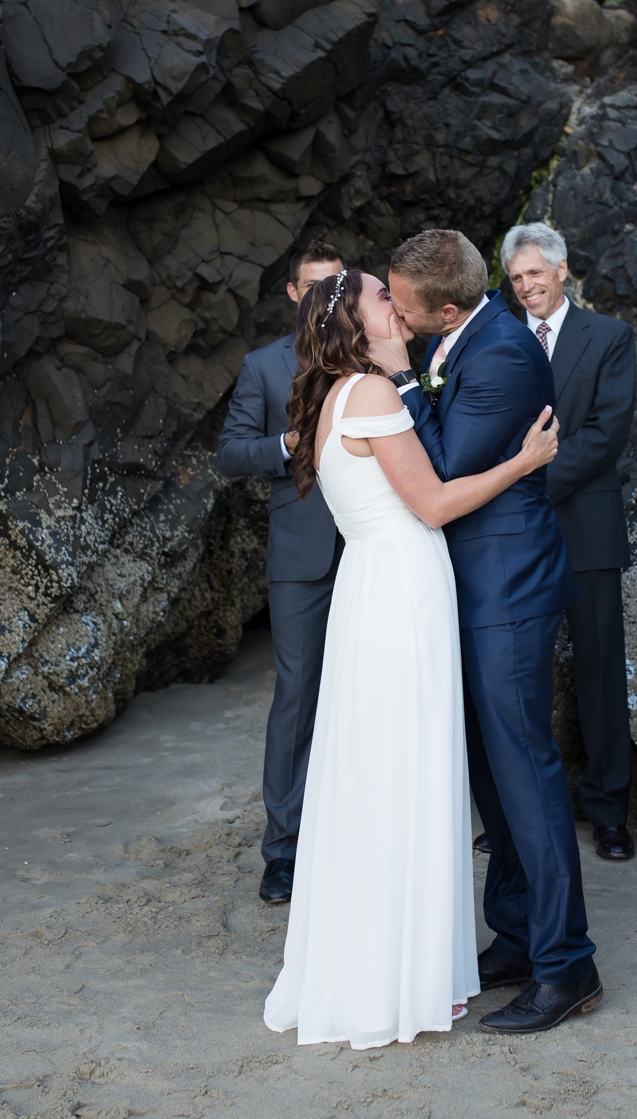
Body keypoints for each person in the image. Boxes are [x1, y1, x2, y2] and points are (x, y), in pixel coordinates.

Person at [262, 269, 561, 1049]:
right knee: (406, 774)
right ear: (358, 324)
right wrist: (524, 464)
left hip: (374, 589)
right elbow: (433, 503)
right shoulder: (369, 394)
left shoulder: (334, 395)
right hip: (402, 588)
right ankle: (397, 975)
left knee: (378, 775)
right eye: (378, 297)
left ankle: (387, 961)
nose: (394, 304)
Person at [370, 229, 603, 1036]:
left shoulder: (500, 352)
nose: (393, 317)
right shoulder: (464, 338)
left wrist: (401, 377)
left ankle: (569, 964)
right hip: (464, 587)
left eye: (402, 307)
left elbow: (443, 468)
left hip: (505, 587)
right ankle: (518, 937)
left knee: (525, 773)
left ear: (447, 307)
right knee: (488, 777)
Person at [502, 222, 637, 862]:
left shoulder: (608, 337)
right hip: (511, 533)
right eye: (516, 277)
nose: (526, 285)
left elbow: (607, 433)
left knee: (600, 668)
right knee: (515, 672)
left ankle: (610, 811)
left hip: (583, 523)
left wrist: (528, 482)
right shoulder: (497, 341)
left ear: (561, 270)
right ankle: (515, 815)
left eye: (535, 273)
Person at [217, 239, 344, 904]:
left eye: (338, 284)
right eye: (315, 287)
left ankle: (356, 833)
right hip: (301, 556)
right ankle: (284, 850)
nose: (328, 298)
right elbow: (231, 453)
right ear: (294, 294)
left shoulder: (370, 356)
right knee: (297, 697)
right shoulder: (263, 367)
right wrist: (287, 444)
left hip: (375, 547)